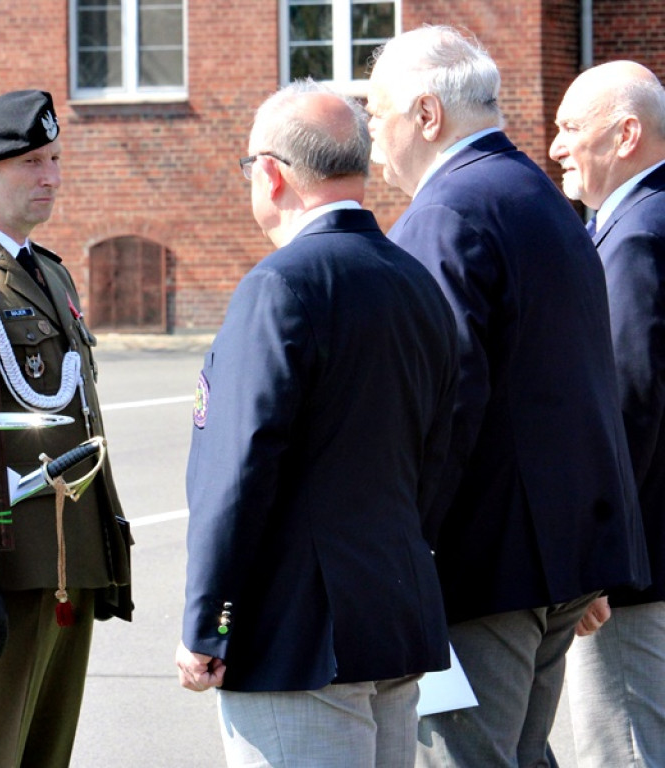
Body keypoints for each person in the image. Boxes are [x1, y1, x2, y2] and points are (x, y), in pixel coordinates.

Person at [366, 25, 652, 768]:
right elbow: (587, 380)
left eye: (376, 114)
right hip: (556, 555)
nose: (372, 139)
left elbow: (442, 402)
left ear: (426, 115)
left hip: (483, 563)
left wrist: (405, 550)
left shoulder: (447, 212)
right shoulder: (539, 197)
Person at [175, 80, 460, 768]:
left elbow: (238, 472)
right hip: (392, 616)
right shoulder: (414, 279)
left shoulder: (280, 284)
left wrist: (209, 622)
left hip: (296, 635)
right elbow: (438, 457)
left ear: (271, 174)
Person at [0, 89, 132, 768]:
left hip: (69, 555)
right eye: (31, 162)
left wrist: (105, 548)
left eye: (55, 159)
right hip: (5, 561)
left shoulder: (52, 273)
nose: (51, 177)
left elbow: (81, 418)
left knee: (46, 751)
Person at [548, 60, 665, 768]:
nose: (556, 146)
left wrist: (592, 558)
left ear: (625, 135)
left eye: (570, 128)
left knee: (623, 749)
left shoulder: (635, 236)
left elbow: (625, 403)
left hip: (634, 573)